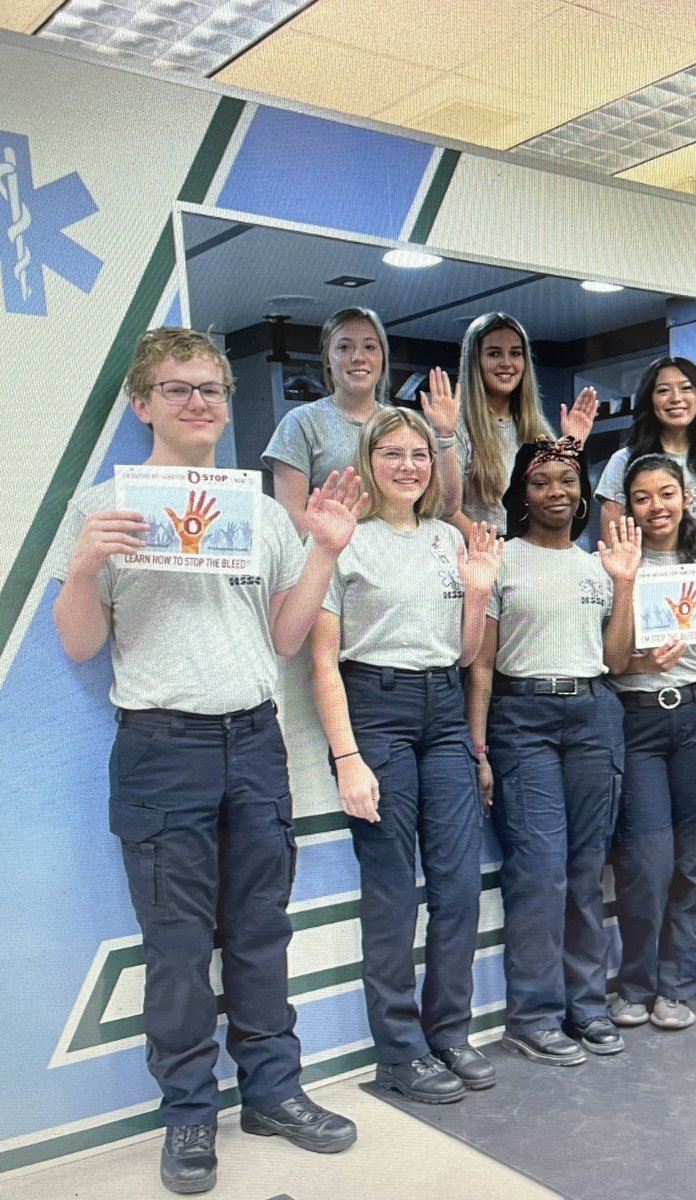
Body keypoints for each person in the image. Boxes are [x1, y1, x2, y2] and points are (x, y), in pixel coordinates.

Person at [52, 328, 364, 1196]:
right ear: (141, 403)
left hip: (252, 741)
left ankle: (273, 1092)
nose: (199, 404)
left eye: (211, 391)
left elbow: (285, 635)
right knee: (179, 949)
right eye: (178, 389)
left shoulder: (258, 510)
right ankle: (190, 1115)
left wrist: (325, 552)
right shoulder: (107, 508)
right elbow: (80, 644)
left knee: (262, 933)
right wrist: (83, 566)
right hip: (161, 750)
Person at [309, 408, 503, 1105]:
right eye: (391, 453)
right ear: (369, 460)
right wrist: (347, 758)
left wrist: (477, 590)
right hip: (377, 709)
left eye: (419, 454)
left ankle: (447, 1032)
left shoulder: (450, 538)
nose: (407, 466)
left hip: (443, 710)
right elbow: (322, 661)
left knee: (455, 886)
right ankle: (398, 1052)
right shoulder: (345, 543)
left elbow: (464, 652)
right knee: (393, 893)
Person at [467, 436, 639, 1064]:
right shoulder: (503, 560)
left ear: (583, 491)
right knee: (539, 871)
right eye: (541, 482)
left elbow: (618, 659)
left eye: (568, 480)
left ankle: (587, 1005)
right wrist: (480, 747)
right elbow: (481, 665)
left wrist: (623, 585)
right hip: (524, 718)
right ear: (522, 493)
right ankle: (533, 1015)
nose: (556, 492)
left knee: (586, 870)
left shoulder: (601, 564)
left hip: (594, 713)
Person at [608, 453, 696, 1033]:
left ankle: (677, 985)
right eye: (641, 497)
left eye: (666, 494)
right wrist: (641, 651)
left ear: (686, 497)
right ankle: (635, 984)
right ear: (628, 505)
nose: (655, 506)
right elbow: (611, 663)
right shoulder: (612, 564)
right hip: (638, 720)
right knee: (645, 862)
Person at [263, 306, 460, 533]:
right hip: (332, 560)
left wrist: (445, 436)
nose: (358, 357)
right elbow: (290, 520)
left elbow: (447, 507)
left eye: (369, 347)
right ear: (327, 358)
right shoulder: (300, 423)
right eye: (344, 347)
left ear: (383, 358)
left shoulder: (403, 425)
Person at [452, 312, 597, 535]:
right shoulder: (457, 426)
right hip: (484, 557)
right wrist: (495, 552)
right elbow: (446, 510)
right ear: (475, 361)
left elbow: (565, 507)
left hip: (534, 554)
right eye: (494, 354)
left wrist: (572, 447)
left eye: (515, 353)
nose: (507, 363)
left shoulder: (537, 426)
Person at [596, 356, 696, 529]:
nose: (676, 398)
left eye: (686, 388)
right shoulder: (623, 461)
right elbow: (613, 543)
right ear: (649, 400)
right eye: (663, 390)